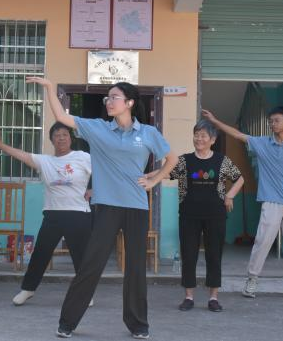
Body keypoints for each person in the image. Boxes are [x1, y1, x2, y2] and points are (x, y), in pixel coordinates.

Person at [25, 77, 177, 340]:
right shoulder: (97, 128)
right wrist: (50, 88)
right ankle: (67, 322)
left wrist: (154, 180)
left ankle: (138, 324)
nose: (109, 101)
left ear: (129, 103)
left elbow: (172, 159)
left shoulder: (147, 133)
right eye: (107, 97)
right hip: (106, 207)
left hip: (136, 206)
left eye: (114, 97)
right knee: (91, 265)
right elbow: (62, 116)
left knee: (135, 268)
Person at [203, 106, 283, 300]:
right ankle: (252, 280)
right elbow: (238, 134)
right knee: (262, 242)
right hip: (271, 201)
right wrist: (215, 121)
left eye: (276, 120)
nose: (272, 124)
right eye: (270, 121)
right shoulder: (262, 144)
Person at [0, 122, 93, 306]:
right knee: (40, 254)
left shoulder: (83, 157)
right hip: (53, 214)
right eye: (57, 135)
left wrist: (95, 189)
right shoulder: (44, 161)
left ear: (71, 138)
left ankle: (86, 294)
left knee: (81, 256)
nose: (61, 138)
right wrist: (0, 145)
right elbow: (21, 155)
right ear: (51, 140)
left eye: (65, 135)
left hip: (78, 213)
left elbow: (104, 172)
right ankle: (28, 289)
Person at [166, 119, 244, 312]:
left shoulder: (221, 161)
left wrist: (229, 195)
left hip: (215, 215)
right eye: (196, 135)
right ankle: (189, 297)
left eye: (203, 136)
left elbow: (239, 178)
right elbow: (166, 173)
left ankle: (213, 298)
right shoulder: (184, 160)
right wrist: (147, 176)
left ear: (212, 140)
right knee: (188, 255)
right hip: (188, 215)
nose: (198, 139)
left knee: (214, 256)